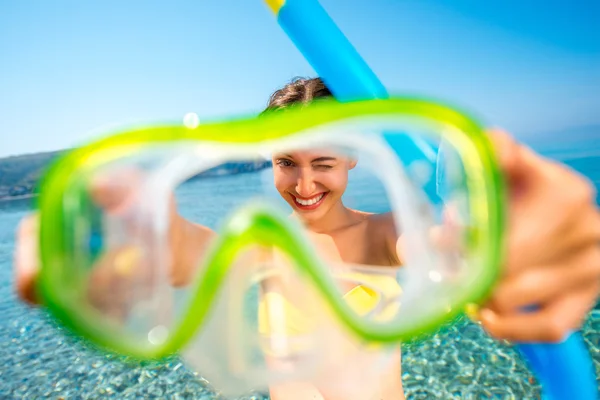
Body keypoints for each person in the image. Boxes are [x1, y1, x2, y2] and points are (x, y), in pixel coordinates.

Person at [13, 77, 600, 399]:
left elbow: (446, 251)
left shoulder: (384, 236)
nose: (304, 182)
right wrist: (139, 243)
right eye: (284, 163)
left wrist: (504, 246)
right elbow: (189, 251)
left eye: (323, 162)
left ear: (350, 161)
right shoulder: (265, 244)